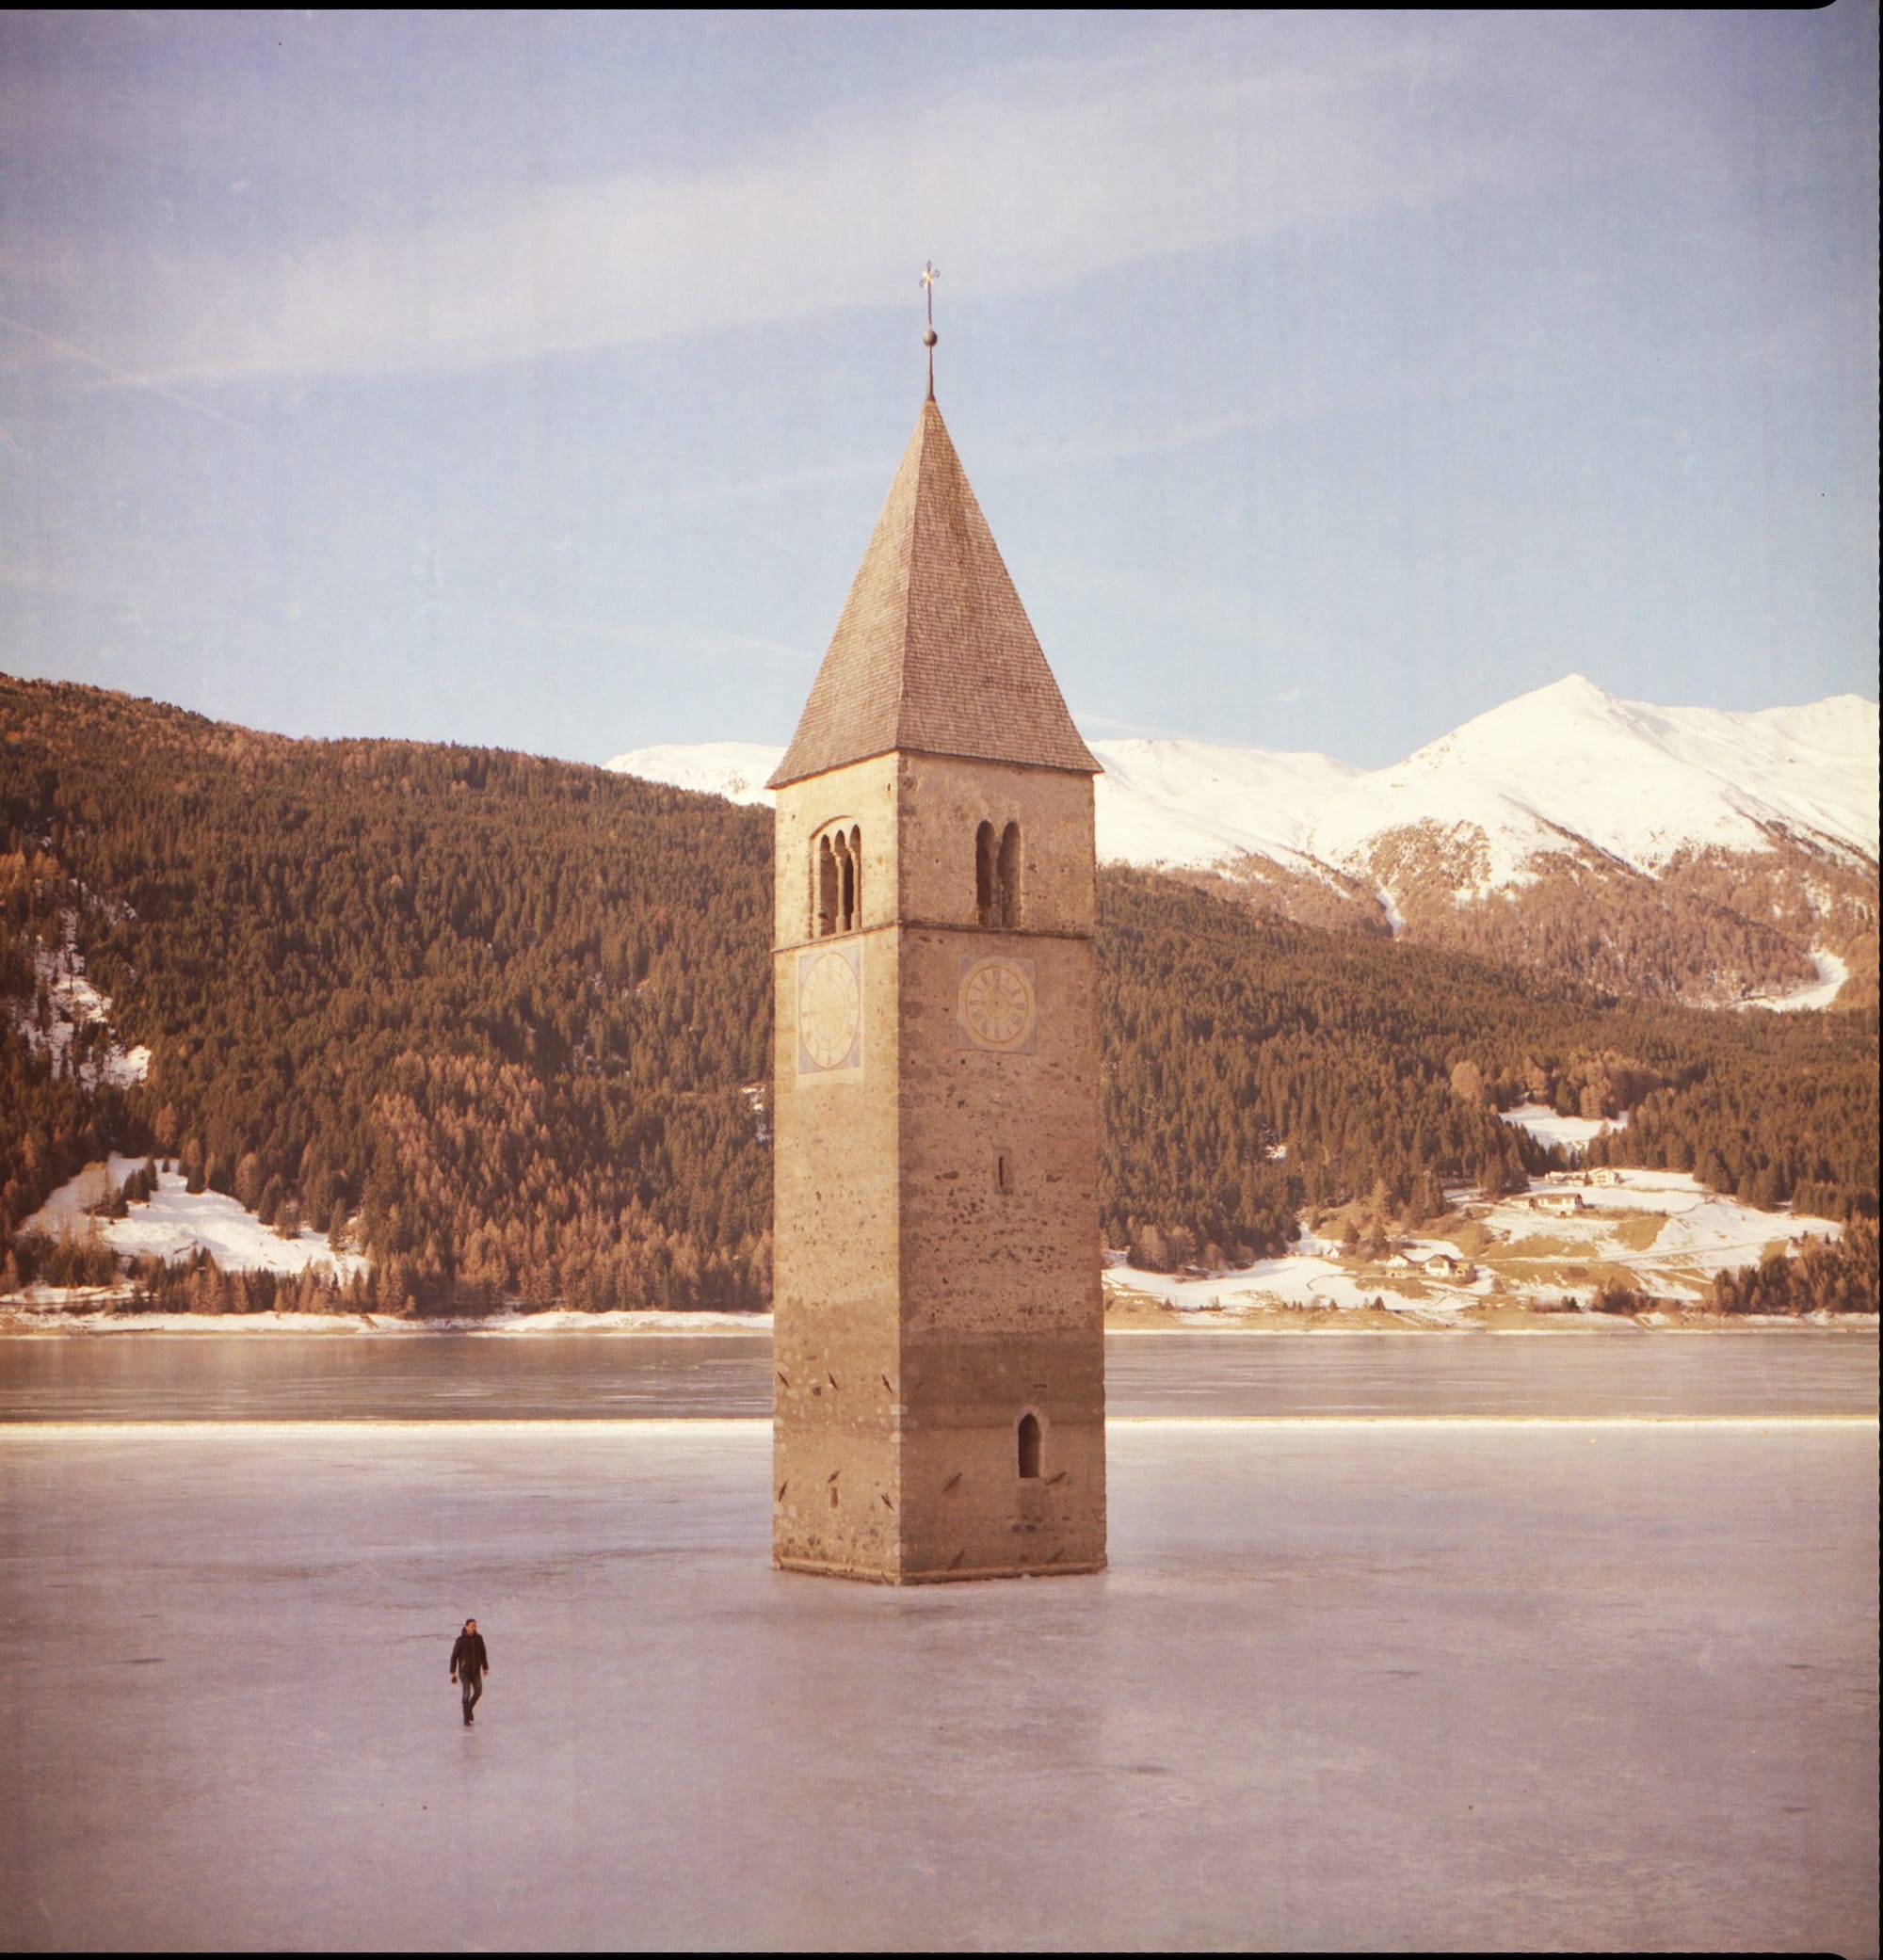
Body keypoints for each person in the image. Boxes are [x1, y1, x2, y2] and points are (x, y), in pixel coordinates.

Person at [449, 1618, 490, 1725]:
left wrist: (485, 1667)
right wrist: (452, 1672)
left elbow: (483, 1653)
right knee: (466, 1695)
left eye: (475, 1626)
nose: (474, 1628)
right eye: (472, 1626)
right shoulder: (460, 1640)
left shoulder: (479, 1638)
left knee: (478, 1691)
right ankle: (466, 1720)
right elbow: (454, 1656)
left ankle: (469, 1709)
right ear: (466, 1627)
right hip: (464, 1672)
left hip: (476, 1670)